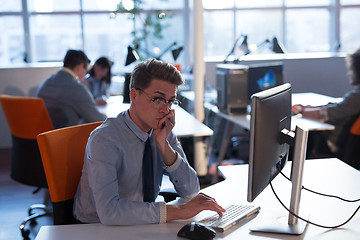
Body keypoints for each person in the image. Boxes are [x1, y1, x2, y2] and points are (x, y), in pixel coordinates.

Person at [73, 58, 225, 225]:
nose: (165, 109)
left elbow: (191, 190)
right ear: (134, 95)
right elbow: (109, 212)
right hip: (96, 229)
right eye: (158, 99)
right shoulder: (105, 139)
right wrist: (180, 211)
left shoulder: (162, 130)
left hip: (141, 222)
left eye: (171, 101)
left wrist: (164, 145)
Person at [292, 48, 360, 158]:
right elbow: (338, 106)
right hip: (340, 142)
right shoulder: (356, 97)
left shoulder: (357, 97)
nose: (348, 74)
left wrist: (301, 111)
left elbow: (324, 114)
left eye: (351, 70)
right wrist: (309, 108)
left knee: (295, 140)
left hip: (331, 145)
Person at [36, 49, 106, 129]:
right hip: (66, 137)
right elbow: (97, 120)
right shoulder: (77, 88)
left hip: (44, 135)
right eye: (85, 71)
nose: (84, 75)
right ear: (80, 66)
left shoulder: (47, 82)